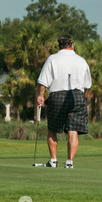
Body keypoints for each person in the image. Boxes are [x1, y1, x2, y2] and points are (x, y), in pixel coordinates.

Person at [36, 35, 92, 169]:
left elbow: (43, 81)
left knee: (52, 129)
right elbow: (87, 85)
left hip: (57, 95)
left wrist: (40, 95)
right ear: (72, 45)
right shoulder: (81, 61)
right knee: (73, 130)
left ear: (59, 46)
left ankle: (53, 161)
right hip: (77, 96)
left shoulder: (52, 59)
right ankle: (69, 162)